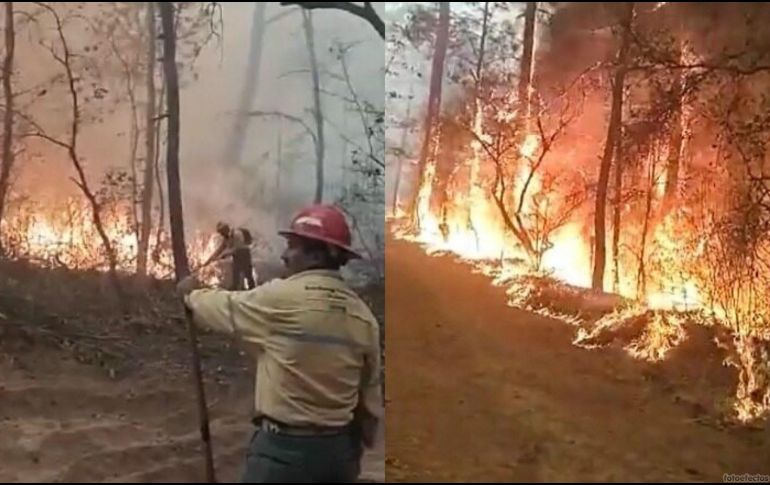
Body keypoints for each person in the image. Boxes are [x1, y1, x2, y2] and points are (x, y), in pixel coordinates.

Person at [177, 204, 382, 483]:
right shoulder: (363, 317)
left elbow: (225, 307)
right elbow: (368, 395)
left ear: (315, 254)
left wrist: (192, 295)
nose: (285, 255)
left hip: (284, 454)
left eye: (293, 246)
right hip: (339, 455)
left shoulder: (281, 299)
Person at [203, 222, 256, 290]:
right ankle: (235, 288)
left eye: (222, 232)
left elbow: (237, 248)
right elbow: (219, 250)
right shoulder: (227, 238)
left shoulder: (237, 234)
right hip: (236, 256)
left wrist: (224, 255)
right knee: (236, 274)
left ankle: (252, 289)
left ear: (226, 230)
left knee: (248, 274)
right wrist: (209, 261)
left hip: (244, 254)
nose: (221, 235)